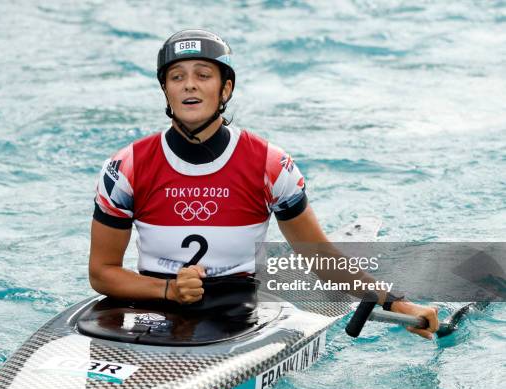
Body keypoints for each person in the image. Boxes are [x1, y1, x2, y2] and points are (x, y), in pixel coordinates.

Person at [88, 29, 439, 339]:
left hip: (234, 314)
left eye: (203, 75)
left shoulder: (270, 165)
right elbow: (102, 273)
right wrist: (169, 290)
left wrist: (397, 304)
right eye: (176, 77)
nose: (189, 84)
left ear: (225, 88)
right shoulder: (127, 167)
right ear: (165, 90)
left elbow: (321, 260)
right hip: (148, 307)